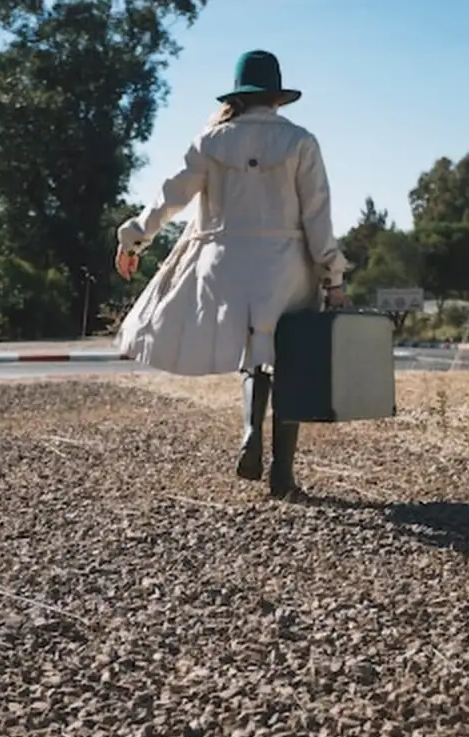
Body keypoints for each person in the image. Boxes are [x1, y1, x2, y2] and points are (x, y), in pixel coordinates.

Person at [111, 49, 349, 499]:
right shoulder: (301, 142)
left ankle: (248, 433)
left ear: (239, 94)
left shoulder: (211, 140)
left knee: (253, 355)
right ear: (277, 96)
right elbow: (317, 215)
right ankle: (283, 475)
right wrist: (333, 276)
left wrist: (134, 238)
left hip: (224, 265)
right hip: (286, 265)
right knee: (290, 361)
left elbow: (170, 197)